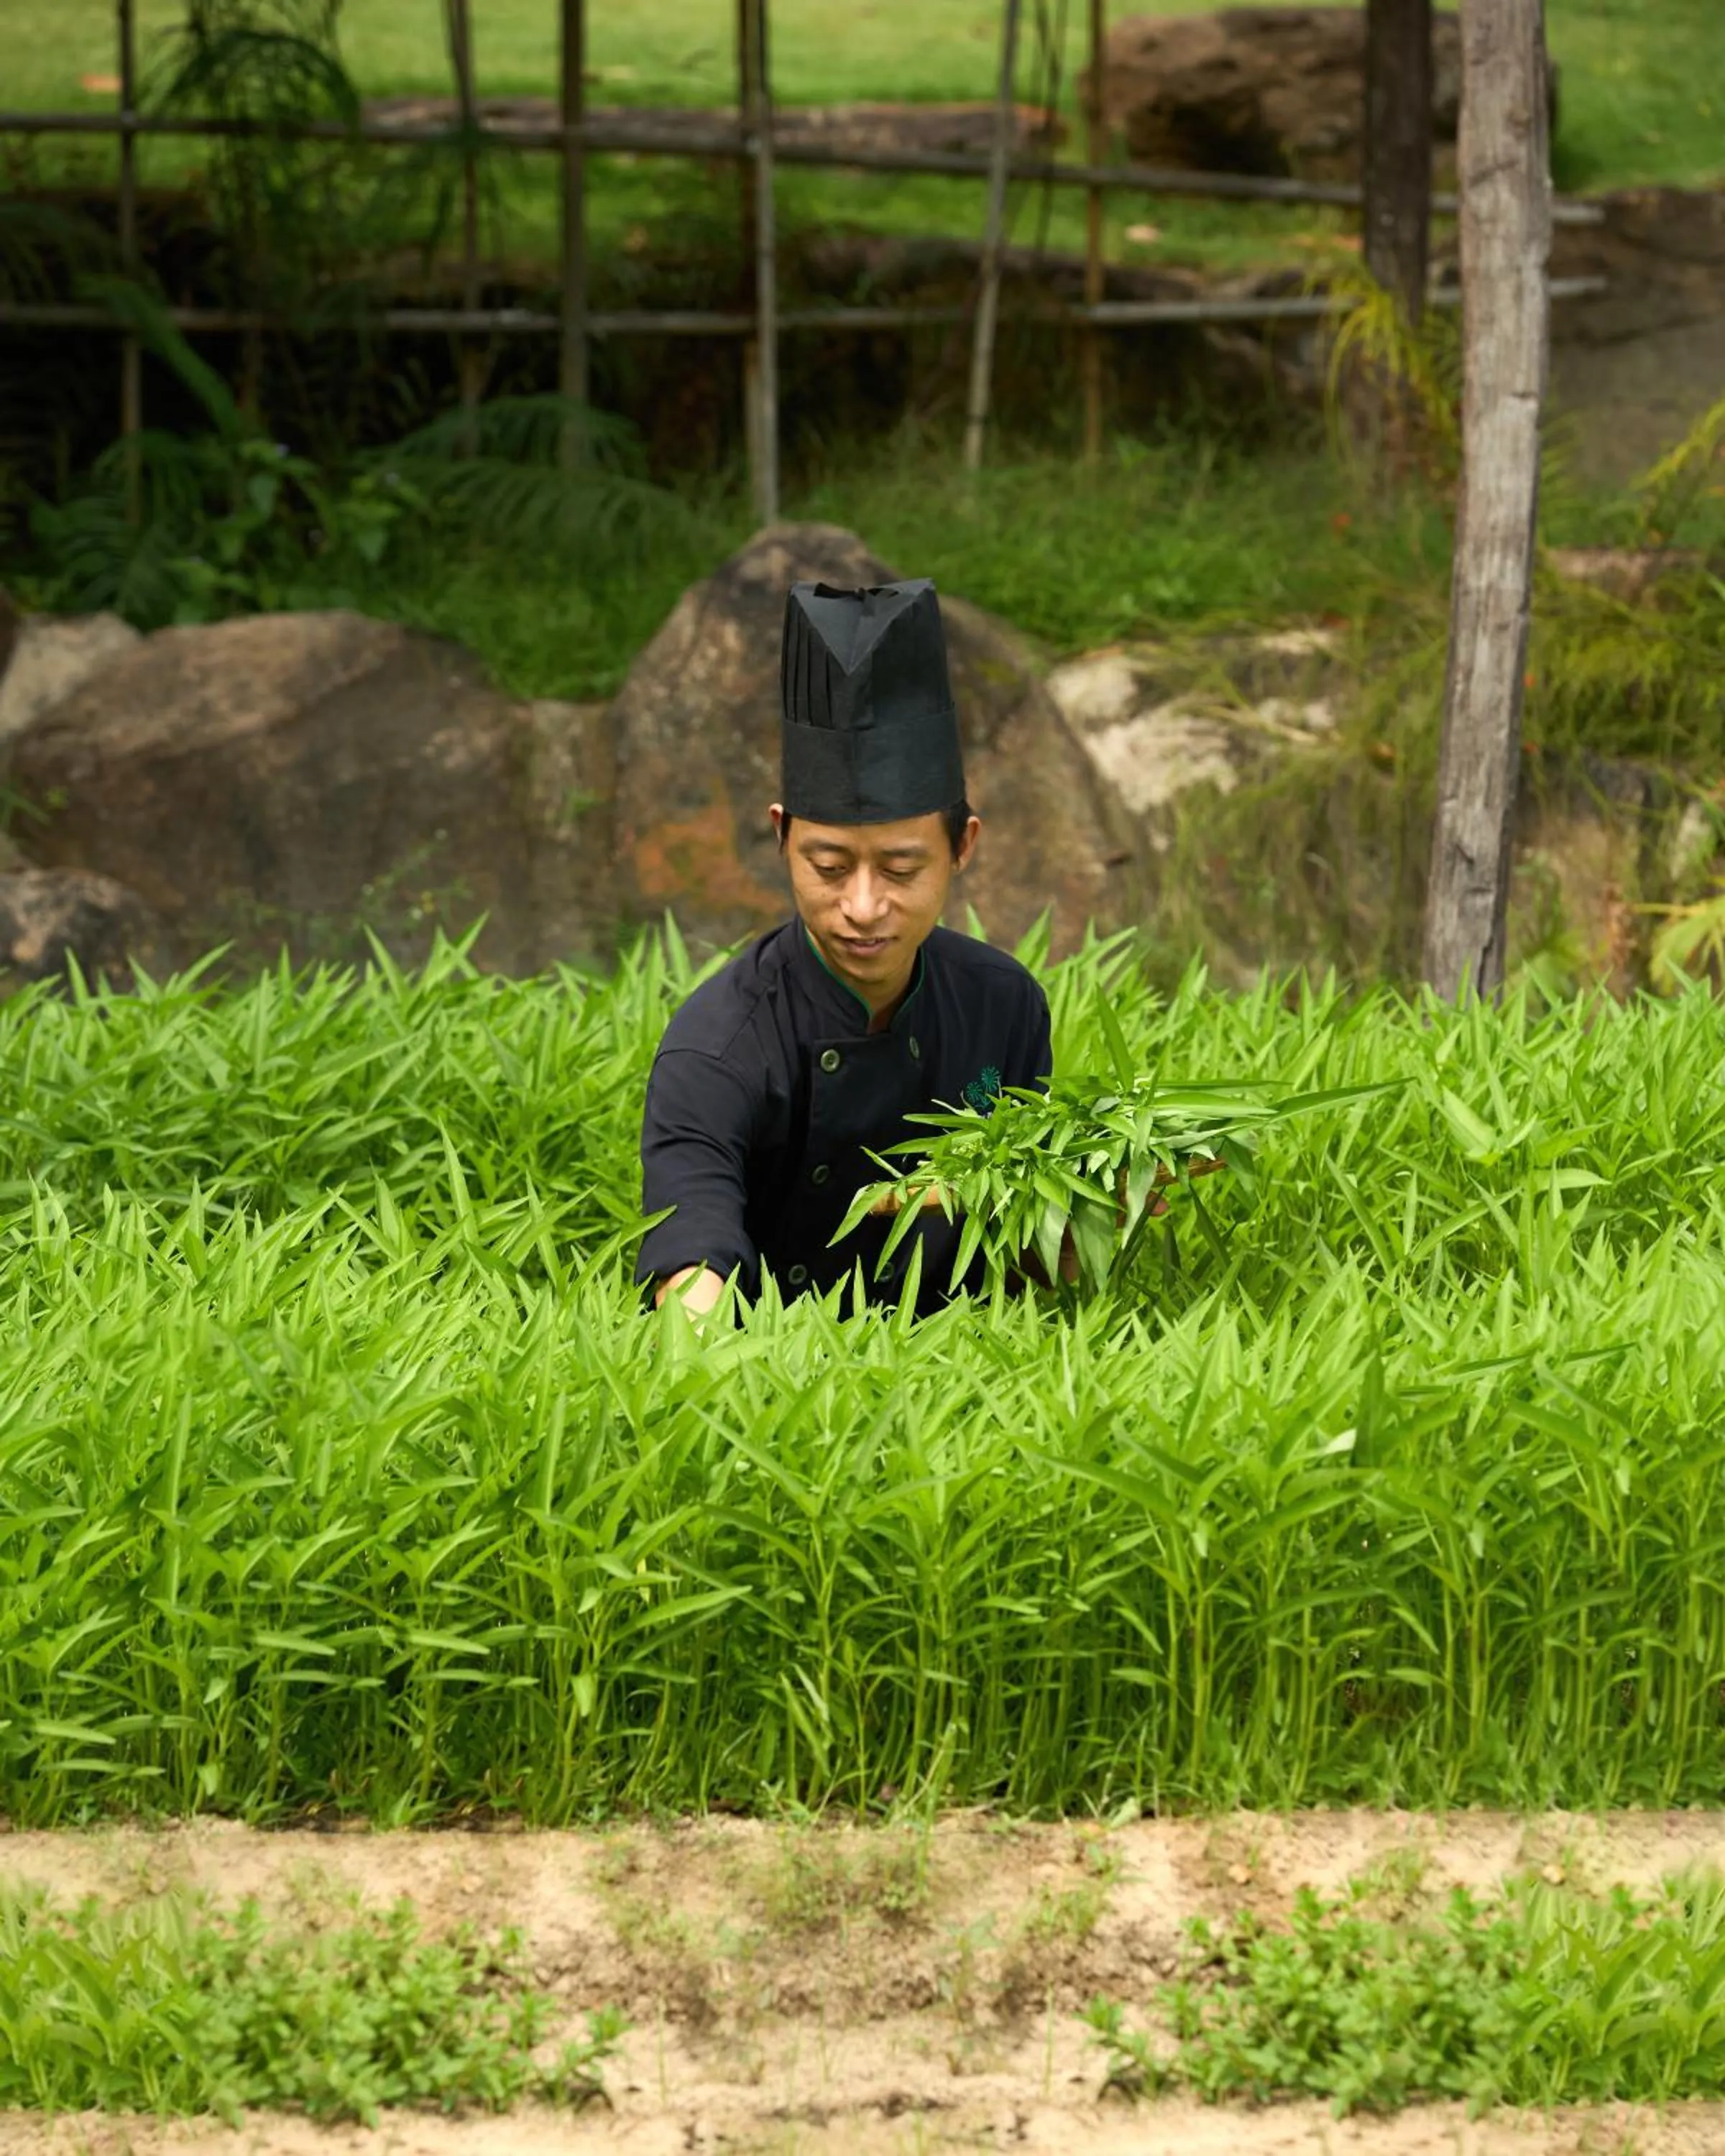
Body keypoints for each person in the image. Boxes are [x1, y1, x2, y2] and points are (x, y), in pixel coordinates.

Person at [635, 576, 1053, 1318]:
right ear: (781, 837)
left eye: (900, 869)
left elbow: (1029, 1258)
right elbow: (691, 1248)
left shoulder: (1004, 1005)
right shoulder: (718, 1044)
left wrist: (1098, 1198)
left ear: (965, 846)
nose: (862, 908)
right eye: (829, 869)